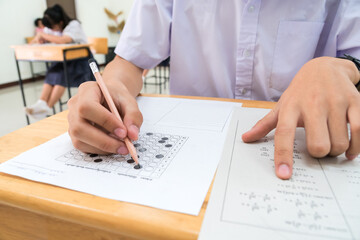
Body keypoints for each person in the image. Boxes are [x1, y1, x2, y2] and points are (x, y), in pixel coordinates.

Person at [67, 1, 360, 180]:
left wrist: (340, 68)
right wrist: (113, 86)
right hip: (190, 153)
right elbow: (128, 63)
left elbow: (354, 63)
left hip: (301, 146)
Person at [26, 4, 92, 119]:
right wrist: (39, 38)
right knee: (52, 71)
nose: (51, 30)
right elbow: (40, 38)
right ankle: (41, 103)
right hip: (64, 60)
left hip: (81, 61)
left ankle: (48, 107)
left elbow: (64, 40)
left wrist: (43, 35)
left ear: (60, 22)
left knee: (61, 75)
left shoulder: (74, 25)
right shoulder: (49, 28)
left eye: (53, 27)